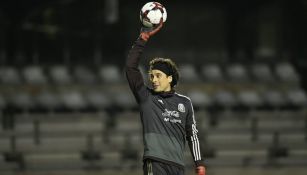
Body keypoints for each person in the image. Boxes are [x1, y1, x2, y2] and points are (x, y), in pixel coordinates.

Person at [125, 20, 206, 175]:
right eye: (152, 76)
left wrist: (199, 163)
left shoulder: (184, 103)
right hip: (155, 163)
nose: (153, 80)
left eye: (158, 76)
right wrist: (143, 38)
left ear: (169, 78)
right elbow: (130, 68)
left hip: (177, 166)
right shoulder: (146, 97)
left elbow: (192, 135)